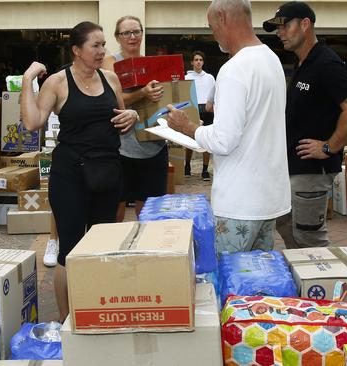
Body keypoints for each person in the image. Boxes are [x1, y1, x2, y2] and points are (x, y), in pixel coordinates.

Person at [21, 21, 139, 321]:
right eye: (95, 46)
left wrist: (133, 115)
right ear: (76, 50)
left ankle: (96, 310)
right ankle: (65, 321)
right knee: (70, 249)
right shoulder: (58, 83)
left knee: (103, 247)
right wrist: (26, 81)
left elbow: (121, 118)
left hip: (108, 172)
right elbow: (33, 122)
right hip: (70, 174)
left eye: (103, 45)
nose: (102, 51)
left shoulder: (111, 79)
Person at [166, 0, 291, 254]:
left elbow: (223, 140)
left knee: (230, 285)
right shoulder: (271, 59)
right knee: (256, 288)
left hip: (238, 204)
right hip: (268, 200)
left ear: (223, 17)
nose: (214, 36)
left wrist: (187, 127)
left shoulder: (234, 69)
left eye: (212, 27)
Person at [263, 1, 347, 248]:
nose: (280, 33)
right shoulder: (303, 62)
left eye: (284, 26)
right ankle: (305, 282)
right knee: (287, 227)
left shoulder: (325, 63)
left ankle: (321, 284)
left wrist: (328, 147)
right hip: (296, 169)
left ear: (305, 24)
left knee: (310, 239)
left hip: (311, 172)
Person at [101, 15, 168, 222]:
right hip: (122, 149)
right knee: (115, 210)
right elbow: (112, 99)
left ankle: (144, 251)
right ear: (117, 37)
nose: (132, 37)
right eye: (126, 33)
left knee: (148, 211)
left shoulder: (153, 64)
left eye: (136, 32)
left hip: (154, 146)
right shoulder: (110, 63)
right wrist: (143, 93)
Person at [184, 51, 216, 181]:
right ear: (192, 62)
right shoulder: (186, 78)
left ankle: (205, 170)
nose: (198, 62)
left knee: (207, 140)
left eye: (200, 60)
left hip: (207, 111)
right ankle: (187, 167)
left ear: (203, 62)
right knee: (190, 139)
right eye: (196, 59)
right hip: (193, 109)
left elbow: (214, 95)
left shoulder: (210, 78)